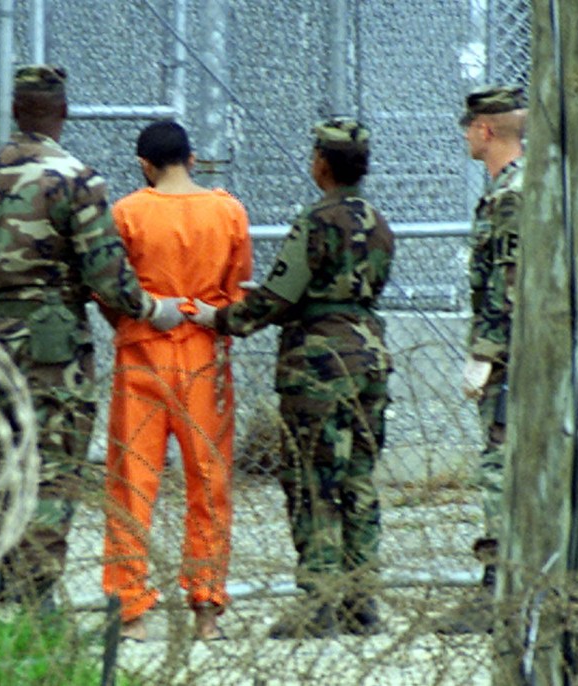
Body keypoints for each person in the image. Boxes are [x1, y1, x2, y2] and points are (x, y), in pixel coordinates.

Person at [0, 64, 184, 613]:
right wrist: (155, 310)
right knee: (53, 472)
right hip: (52, 346)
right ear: (63, 112)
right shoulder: (76, 178)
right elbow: (108, 275)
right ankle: (35, 599)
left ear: (14, 111)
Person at [190, 117, 395, 639]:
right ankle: (360, 600)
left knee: (312, 480)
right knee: (357, 479)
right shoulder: (378, 222)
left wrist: (222, 318)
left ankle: (318, 601)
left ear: (321, 164)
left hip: (319, 364)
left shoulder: (317, 220)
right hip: (369, 355)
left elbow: (282, 294)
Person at [100, 120, 252, 642]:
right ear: (191, 158)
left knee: (132, 482)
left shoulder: (127, 212)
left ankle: (132, 611)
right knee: (208, 483)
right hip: (205, 353)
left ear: (144, 164)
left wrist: (131, 324)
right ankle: (207, 608)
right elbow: (237, 286)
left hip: (143, 350)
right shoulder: (227, 210)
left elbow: (111, 289)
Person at [435, 83, 527, 635]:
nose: (466, 136)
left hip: (512, 359)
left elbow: (508, 282)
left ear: (485, 130)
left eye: (469, 127)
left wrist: (486, 354)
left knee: (499, 469)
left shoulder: (511, 194)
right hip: (516, 353)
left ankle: (500, 593)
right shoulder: (512, 186)